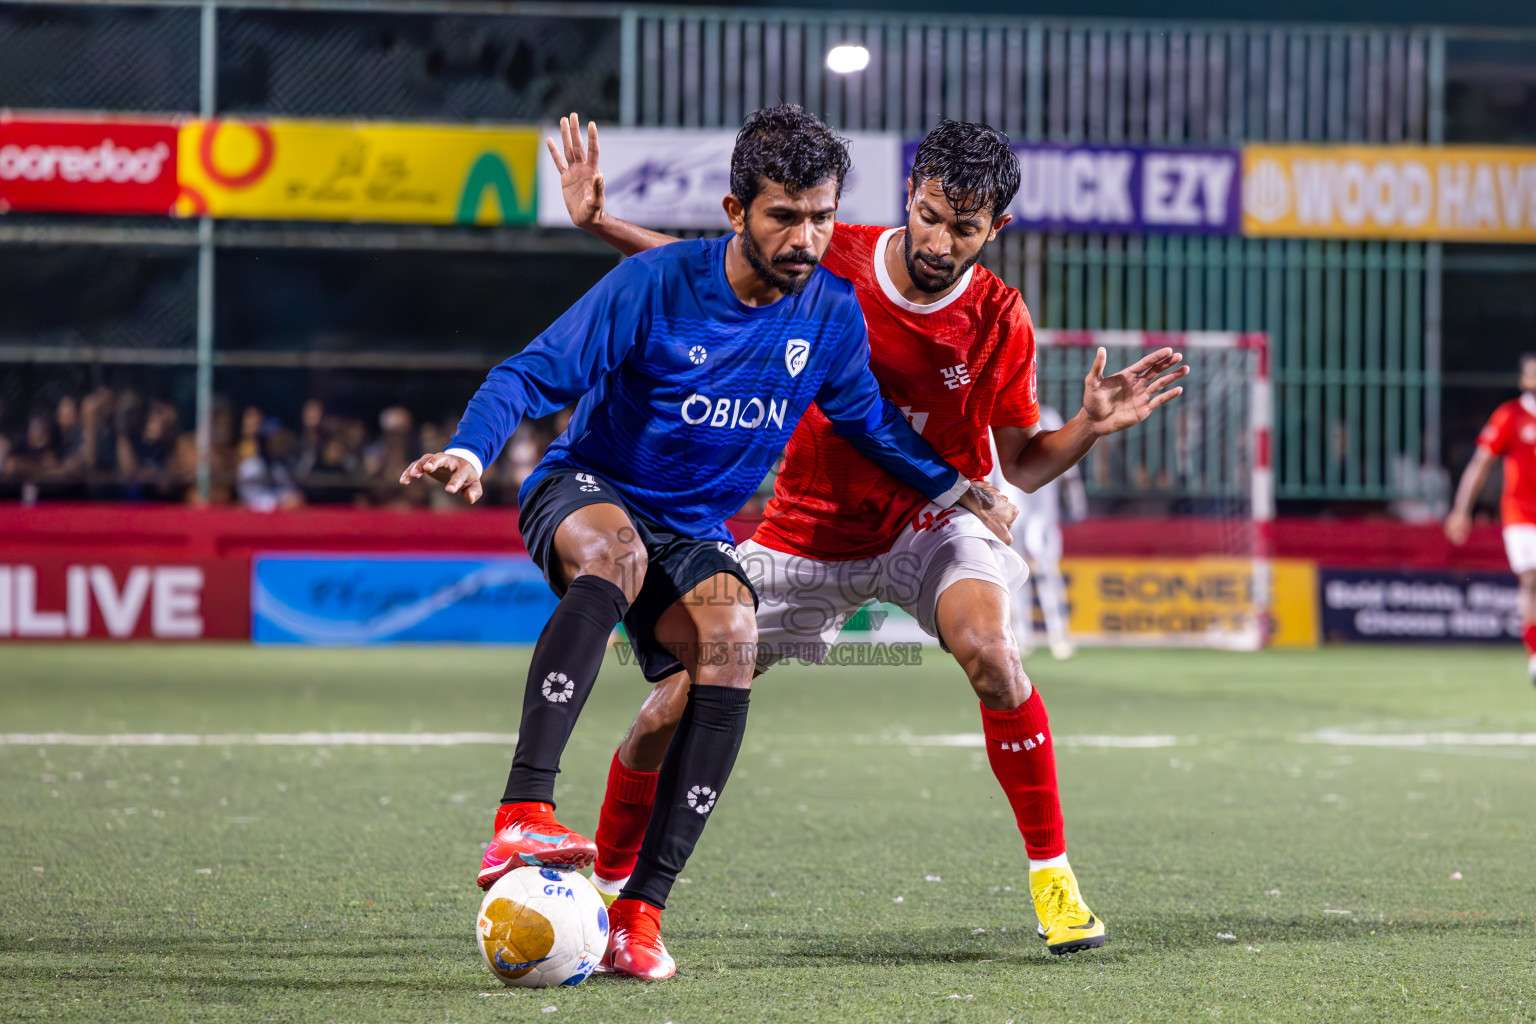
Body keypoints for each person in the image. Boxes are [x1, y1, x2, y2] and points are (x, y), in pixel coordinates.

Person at [550, 112, 1187, 955]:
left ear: (995, 228)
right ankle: (608, 888)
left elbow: (1014, 472)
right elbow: (701, 273)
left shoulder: (999, 319)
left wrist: (1088, 429)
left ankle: (1055, 881)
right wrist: (599, 223)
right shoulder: (831, 251)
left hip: (932, 525)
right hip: (806, 534)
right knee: (669, 707)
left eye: (964, 228)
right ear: (910, 197)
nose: (939, 239)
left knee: (994, 655)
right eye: (929, 213)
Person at [401, 105, 1009, 980]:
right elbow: (529, 371)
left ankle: (640, 914)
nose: (807, 236)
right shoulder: (657, 282)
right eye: (784, 216)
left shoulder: (832, 314)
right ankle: (523, 809)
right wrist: (471, 445)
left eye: (822, 216)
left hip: (692, 530)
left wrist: (958, 488)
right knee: (616, 556)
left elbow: (870, 422)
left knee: (731, 641)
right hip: (591, 490)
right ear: (734, 212)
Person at [1445, 353, 1536, 683]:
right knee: (1530, 580)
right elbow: (1481, 463)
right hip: (1522, 515)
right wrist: (1461, 509)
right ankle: (1535, 656)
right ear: (1524, 380)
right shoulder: (1510, 415)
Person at [988, 407, 1087, 661]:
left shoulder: (1048, 416)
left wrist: (1076, 501)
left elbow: (1067, 462)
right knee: (1015, 573)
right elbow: (991, 470)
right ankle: (1021, 635)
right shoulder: (996, 418)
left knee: (1048, 570)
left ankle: (1058, 633)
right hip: (1011, 510)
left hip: (1043, 510)